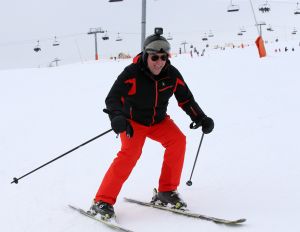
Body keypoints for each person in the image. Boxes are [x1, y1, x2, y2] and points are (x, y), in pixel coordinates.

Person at [89, 27, 214, 219]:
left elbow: (186, 100)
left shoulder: (171, 74)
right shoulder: (132, 73)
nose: (159, 62)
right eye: (154, 57)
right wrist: (116, 117)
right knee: (130, 154)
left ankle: (166, 191)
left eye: (163, 57)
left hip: (158, 121)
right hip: (133, 122)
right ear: (146, 55)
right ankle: (102, 201)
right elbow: (112, 98)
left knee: (178, 141)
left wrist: (201, 118)